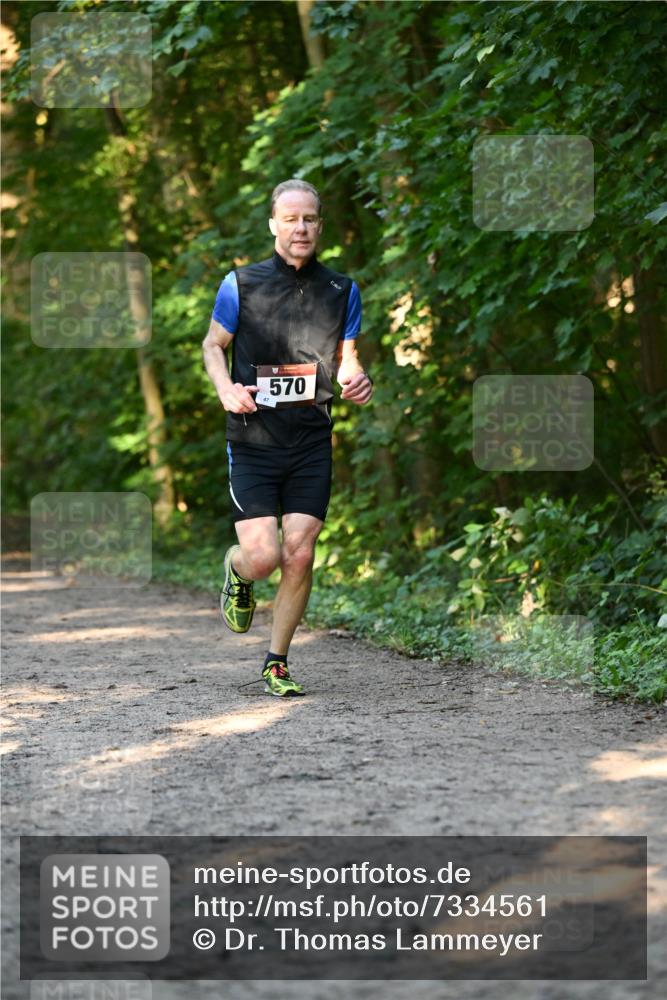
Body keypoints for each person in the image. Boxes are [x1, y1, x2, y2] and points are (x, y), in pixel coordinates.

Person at [202, 179, 373, 697]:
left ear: (320, 225)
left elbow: (349, 358)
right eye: (292, 219)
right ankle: (237, 571)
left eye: (311, 219)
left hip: (310, 441)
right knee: (265, 557)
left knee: (299, 552)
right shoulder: (241, 284)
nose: (301, 228)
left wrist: (356, 378)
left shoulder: (343, 290)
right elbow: (213, 345)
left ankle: (276, 662)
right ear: (274, 224)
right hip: (253, 439)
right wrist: (225, 386)